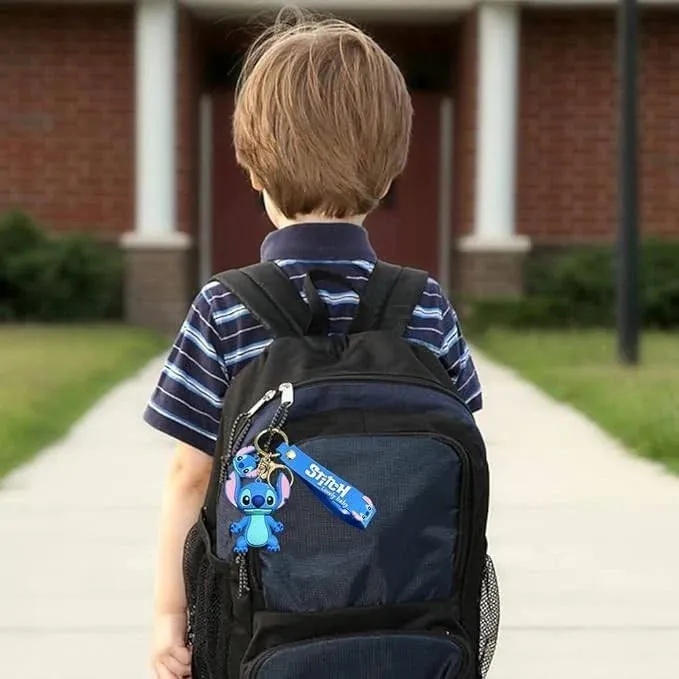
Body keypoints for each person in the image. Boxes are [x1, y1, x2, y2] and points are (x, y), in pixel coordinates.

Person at [145, 11, 482, 679]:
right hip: (412, 629)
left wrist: (167, 613)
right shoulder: (424, 303)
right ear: (388, 176)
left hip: (260, 631)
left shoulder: (225, 306)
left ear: (250, 167)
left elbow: (191, 474)